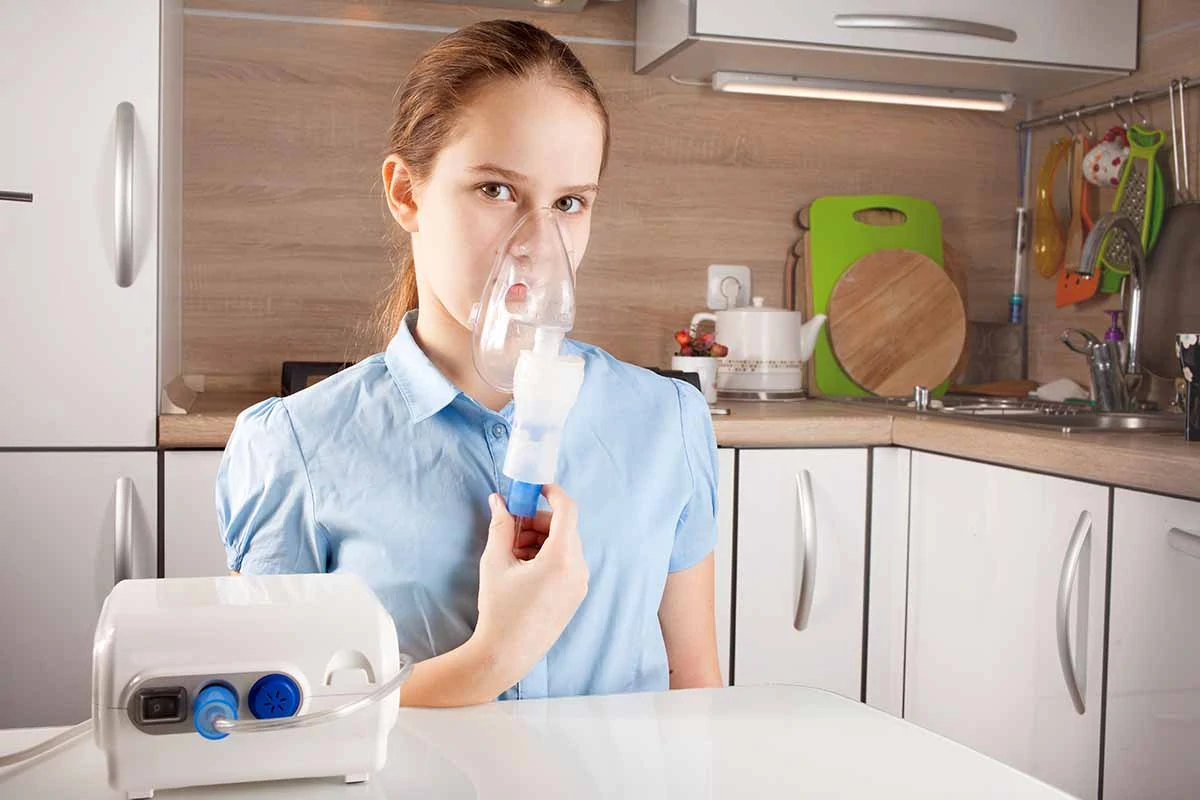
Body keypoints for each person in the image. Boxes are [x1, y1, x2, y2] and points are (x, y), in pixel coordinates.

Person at [216, 19, 722, 707]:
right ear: (406, 192)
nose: (537, 246)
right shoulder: (296, 450)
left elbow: (695, 689)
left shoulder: (668, 422)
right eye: (497, 190)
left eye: (569, 203)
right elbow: (276, 721)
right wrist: (496, 654)